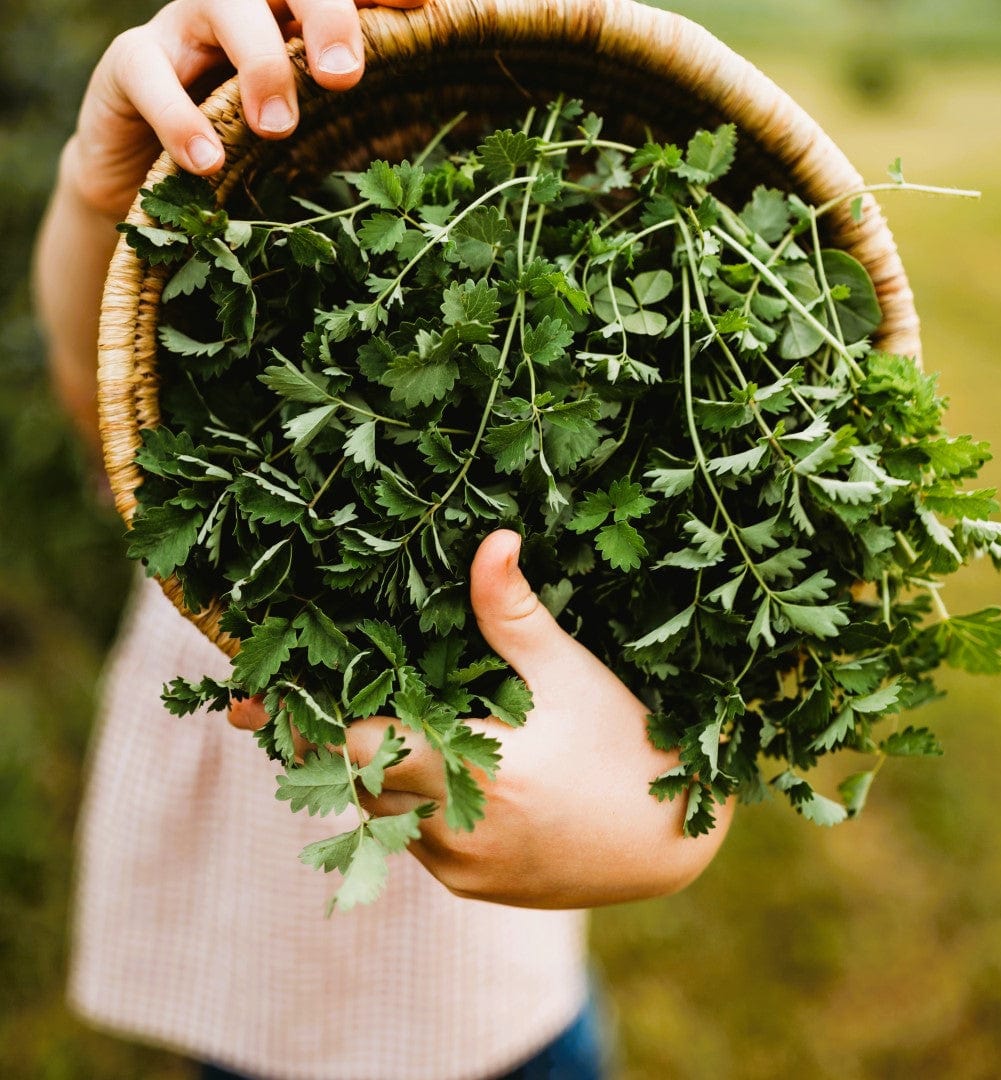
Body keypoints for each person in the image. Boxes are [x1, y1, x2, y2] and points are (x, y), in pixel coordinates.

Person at [33, 2, 733, 1076]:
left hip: (489, 1005)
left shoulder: (571, 170)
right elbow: (107, 404)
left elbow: (696, 700)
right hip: (245, 971)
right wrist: (97, 186)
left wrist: (684, 815)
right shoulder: (237, 215)